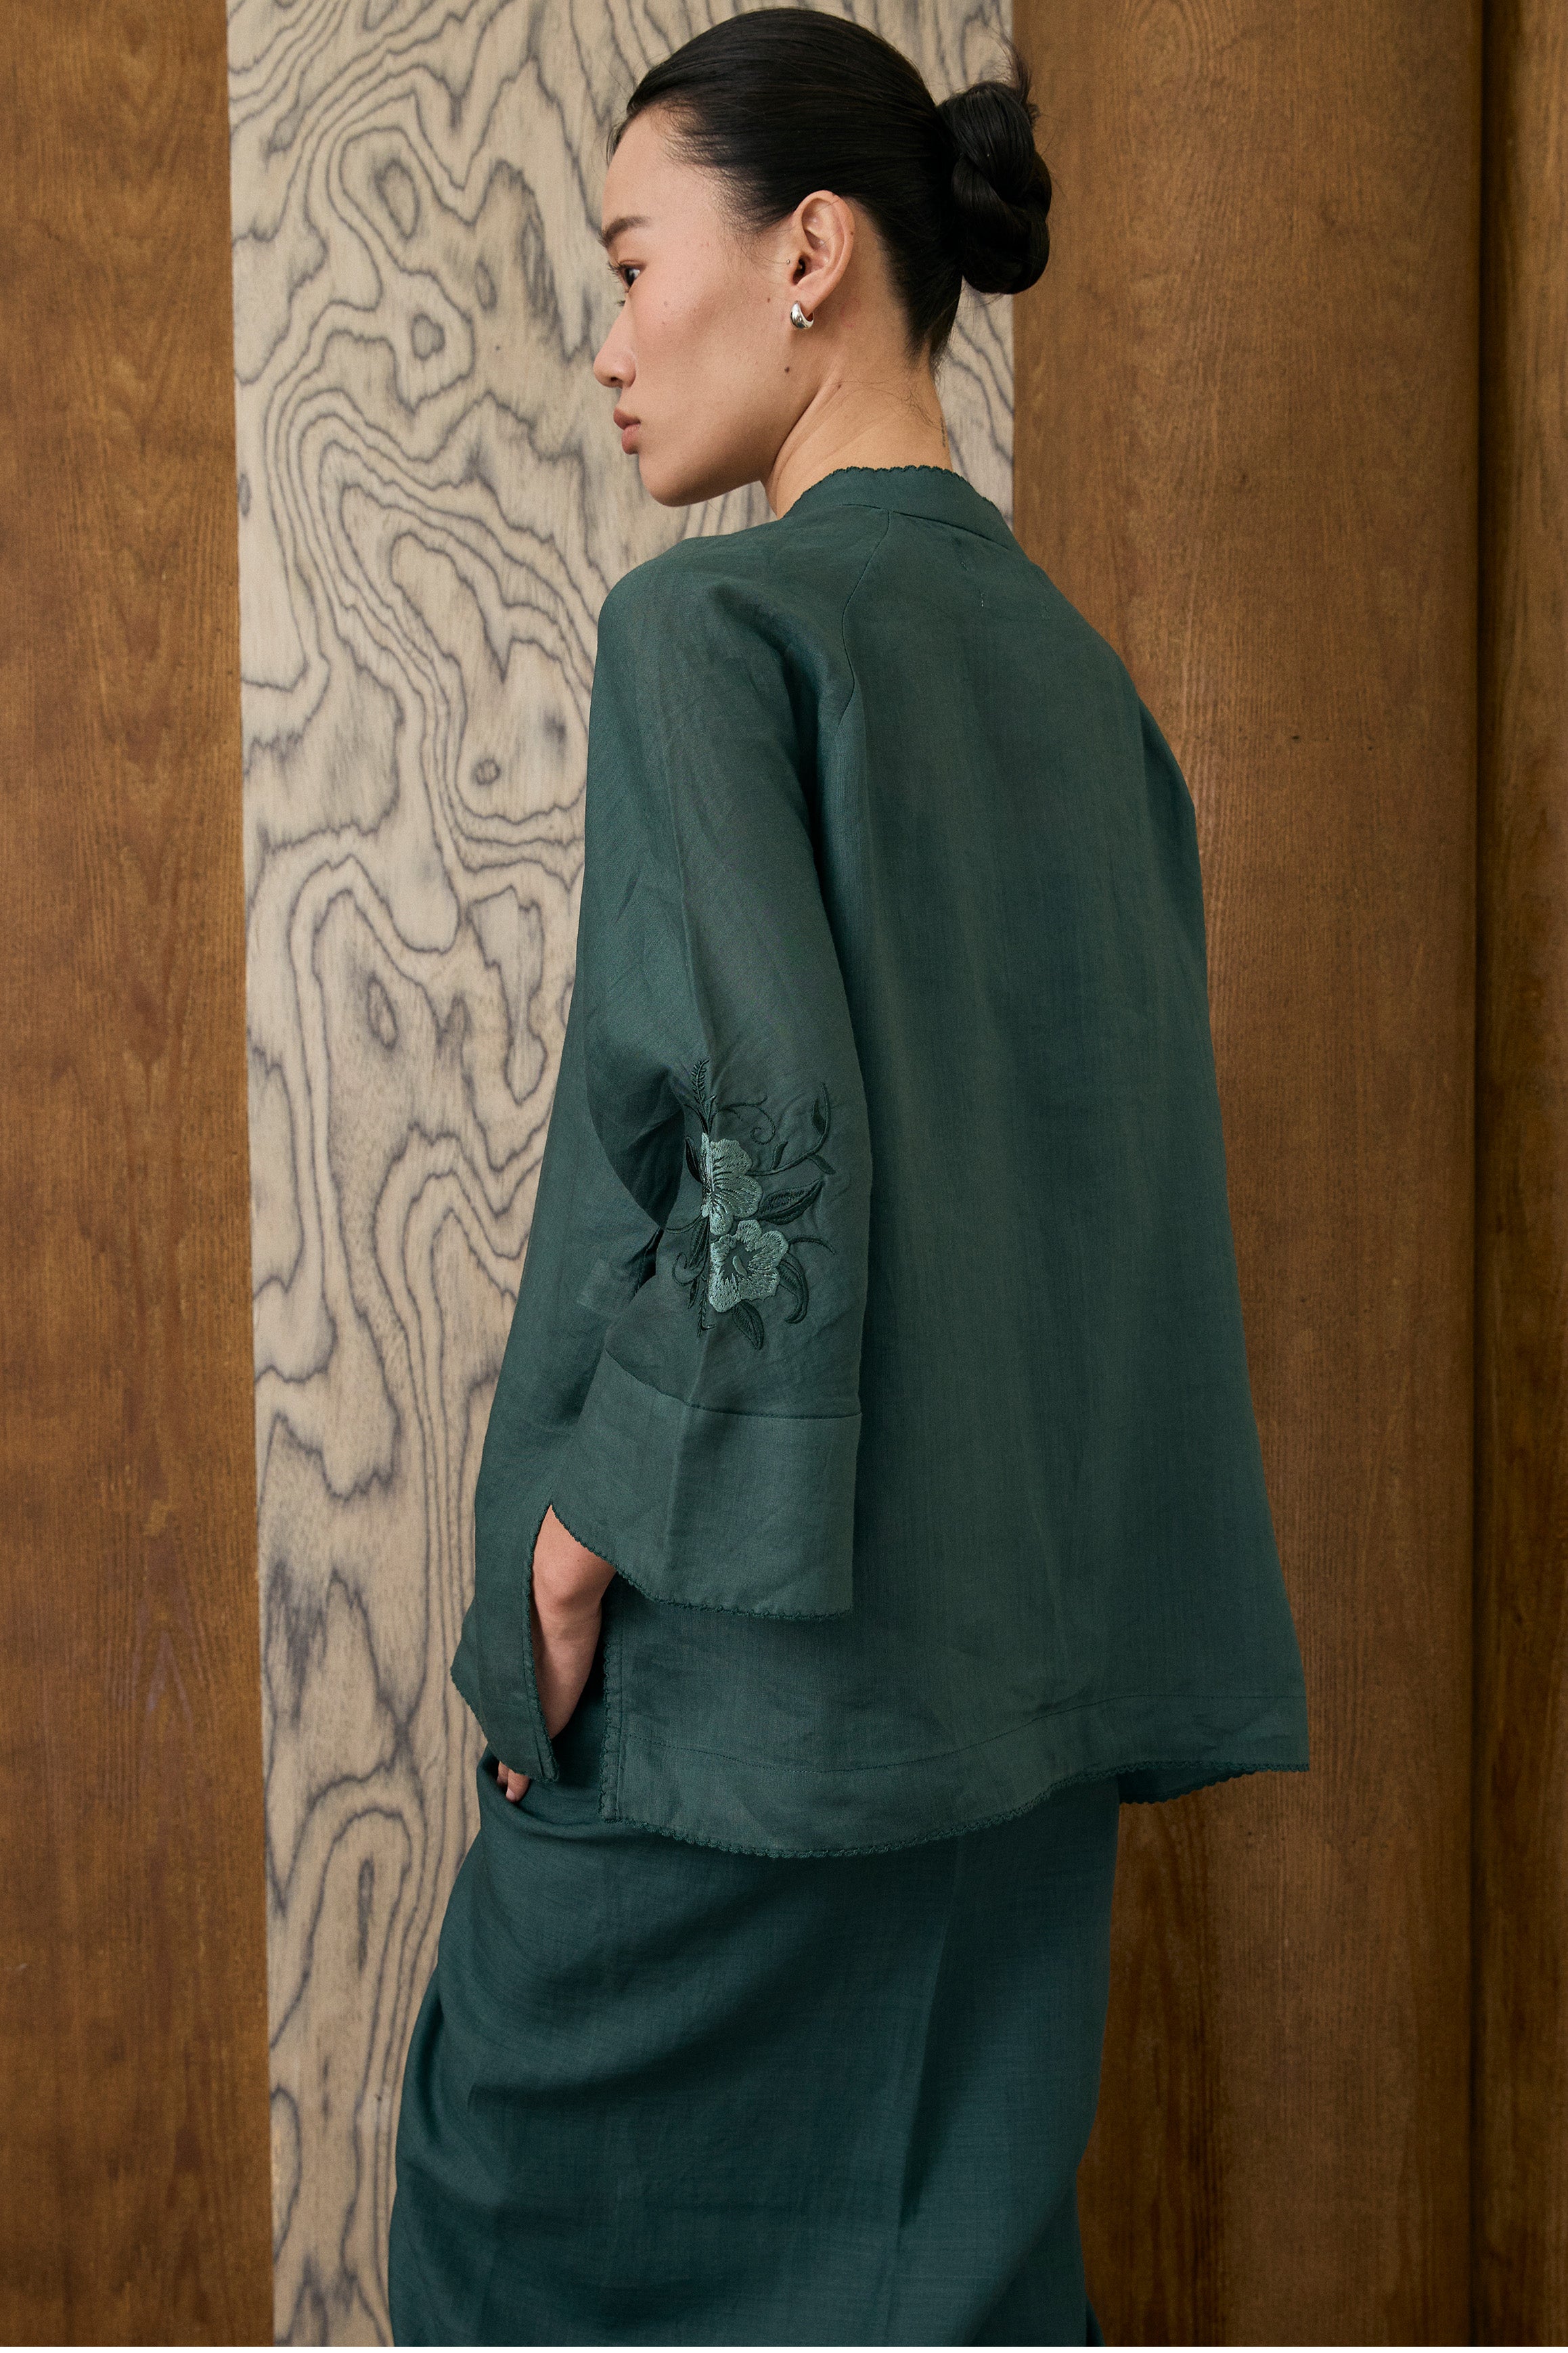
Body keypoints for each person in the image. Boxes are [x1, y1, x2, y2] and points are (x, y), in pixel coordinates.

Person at [388, 9, 1311, 2342]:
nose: (610, 349)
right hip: (1011, 1731)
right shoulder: (1085, 692)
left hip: (748, 1719)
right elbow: (1101, 1218)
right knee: (949, 2290)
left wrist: (576, 1545)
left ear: (810, 254)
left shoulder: (712, 626)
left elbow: (763, 1146)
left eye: (633, 265)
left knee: (503, 2253)